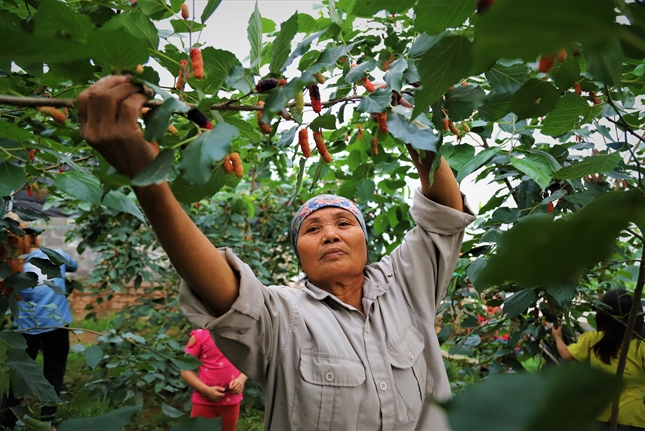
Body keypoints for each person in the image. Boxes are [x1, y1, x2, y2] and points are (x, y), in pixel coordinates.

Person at [77, 75, 476, 431]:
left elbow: (444, 214)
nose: (331, 235)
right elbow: (222, 286)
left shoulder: (406, 286)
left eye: (344, 223)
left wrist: (409, 122)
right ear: (298, 254)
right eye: (313, 229)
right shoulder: (284, 316)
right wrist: (148, 178)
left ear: (366, 242)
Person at [1, 234, 78, 430]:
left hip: (27, 329)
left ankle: (9, 422)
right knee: (54, 371)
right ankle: (47, 421)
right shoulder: (56, 255)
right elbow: (74, 266)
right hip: (57, 325)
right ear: (36, 239)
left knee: (19, 374)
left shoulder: (12, 269)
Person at [552, 289, 645, 431]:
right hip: (631, 415)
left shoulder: (592, 339)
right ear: (636, 317)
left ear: (603, 315)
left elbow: (566, 355)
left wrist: (558, 337)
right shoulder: (641, 346)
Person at [181, 328, 247, 431]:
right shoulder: (200, 336)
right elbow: (185, 369)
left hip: (231, 403)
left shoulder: (238, 335)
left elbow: (247, 362)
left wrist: (241, 379)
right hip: (204, 403)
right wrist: (206, 390)